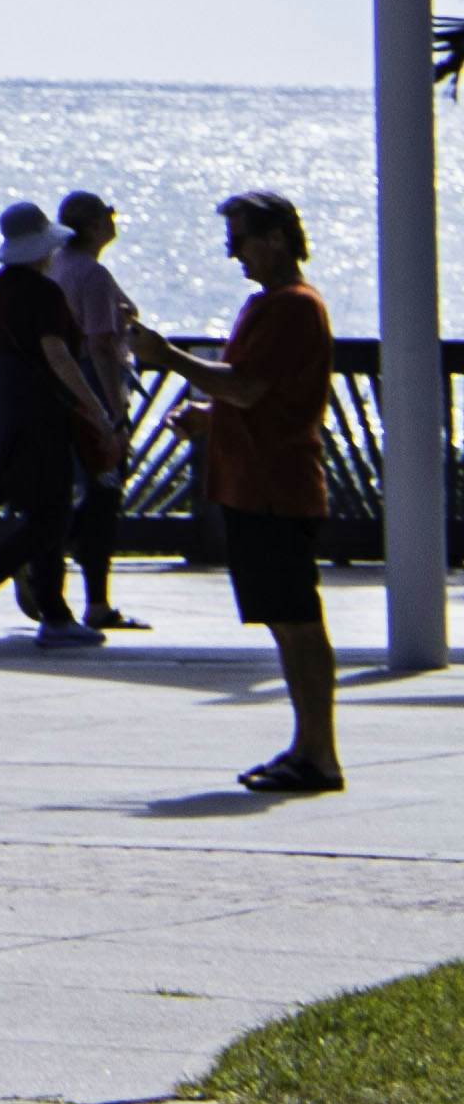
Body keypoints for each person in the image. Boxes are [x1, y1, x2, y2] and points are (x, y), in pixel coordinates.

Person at [137, 189, 343, 795]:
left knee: (298, 622)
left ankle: (320, 754)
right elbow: (260, 395)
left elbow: (250, 388)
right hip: (258, 487)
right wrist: (208, 415)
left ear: (274, 238)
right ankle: (307, 747)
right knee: (287, 621)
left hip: (276, 489)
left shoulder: (292, 307)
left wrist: (166, 355)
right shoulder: (272, 306)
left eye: (241, 241)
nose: (234, 255)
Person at [0, 200, 112, 643]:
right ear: (43, 248)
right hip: (38, 411)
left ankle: (54, 616)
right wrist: (94, 406)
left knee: (43, 510)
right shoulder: (45, 293)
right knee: (52, 517)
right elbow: (57, 353)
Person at [45, 191, 152, 634]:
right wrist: (115, 413)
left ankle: (40, 565)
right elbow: (102, 347)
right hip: (92, 393)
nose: (114, 219)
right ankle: (96, 601)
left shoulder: (57, 266)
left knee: (75, 493)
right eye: (108, 214)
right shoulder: (92, 275)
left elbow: (122, 310)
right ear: (92, 226)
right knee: (103, 496)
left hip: (59, 393)